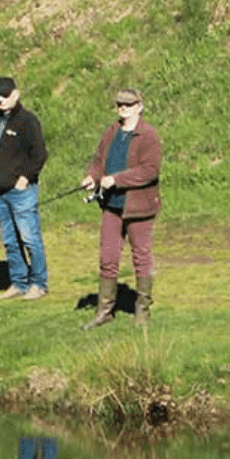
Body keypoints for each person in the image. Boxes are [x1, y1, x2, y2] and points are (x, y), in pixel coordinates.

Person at [79, 87, 163, 328]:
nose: (123, 109)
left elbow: (149, 171)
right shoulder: (111, 132)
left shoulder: (148, 136)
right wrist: (92, 177)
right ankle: (104, 312)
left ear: (139, 106)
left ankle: (142, 311)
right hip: (111, 207)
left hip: (139, 208)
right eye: (120, 105)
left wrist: (117, 180)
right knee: (108, 258)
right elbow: (98, 161)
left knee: (141, 257)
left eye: (128, 104)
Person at [0, 77, 49, 301]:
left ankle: (38, 284)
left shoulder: (27, 121)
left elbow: (39, 154)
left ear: (16, 94)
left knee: (30, 238)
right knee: (10, 240)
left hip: (21, 192)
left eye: (5, 94)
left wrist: (25, 177)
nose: (0, 99)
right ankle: (19, 282)